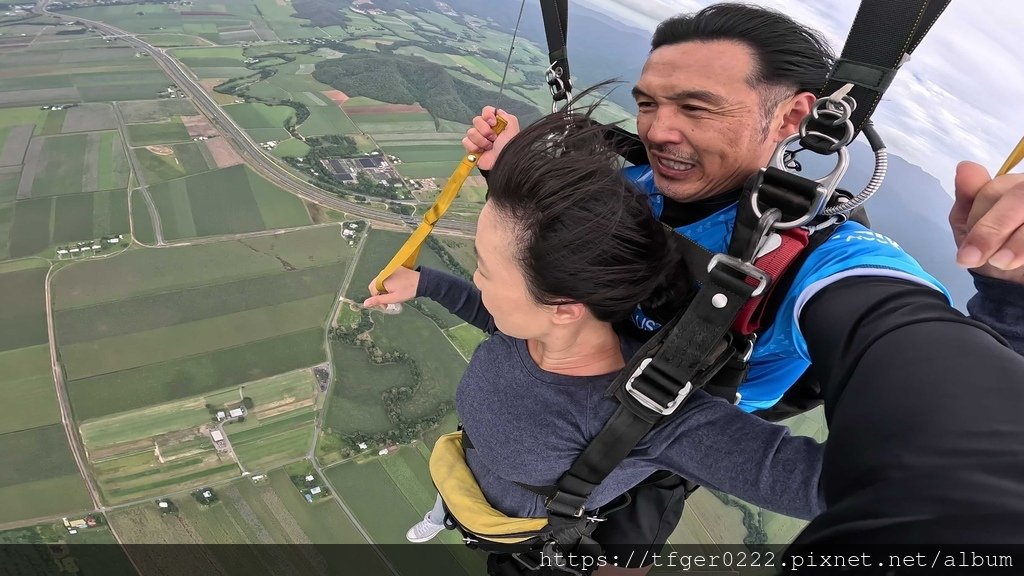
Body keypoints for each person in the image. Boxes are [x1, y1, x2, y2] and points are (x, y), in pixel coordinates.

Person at [458, 3, 1024, 570]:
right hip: (575, 385)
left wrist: (1009, 296)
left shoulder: (823, 262)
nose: (657, 130)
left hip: (662, 435)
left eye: (696, 107)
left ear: (790, 117)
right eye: (648, 103)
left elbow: (914, 349)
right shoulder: (632, 181)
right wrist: (504, 174)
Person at [365, 111, 827, 546]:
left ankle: (457, 518)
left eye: (484, 268)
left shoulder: (647, 412)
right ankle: (446, 511)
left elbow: (814, 484)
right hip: (465, 470)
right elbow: (494, 321)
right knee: (455, 497)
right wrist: (427, 283)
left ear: (564, 307)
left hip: (518, 524)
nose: (477, 280)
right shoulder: (536, 331)